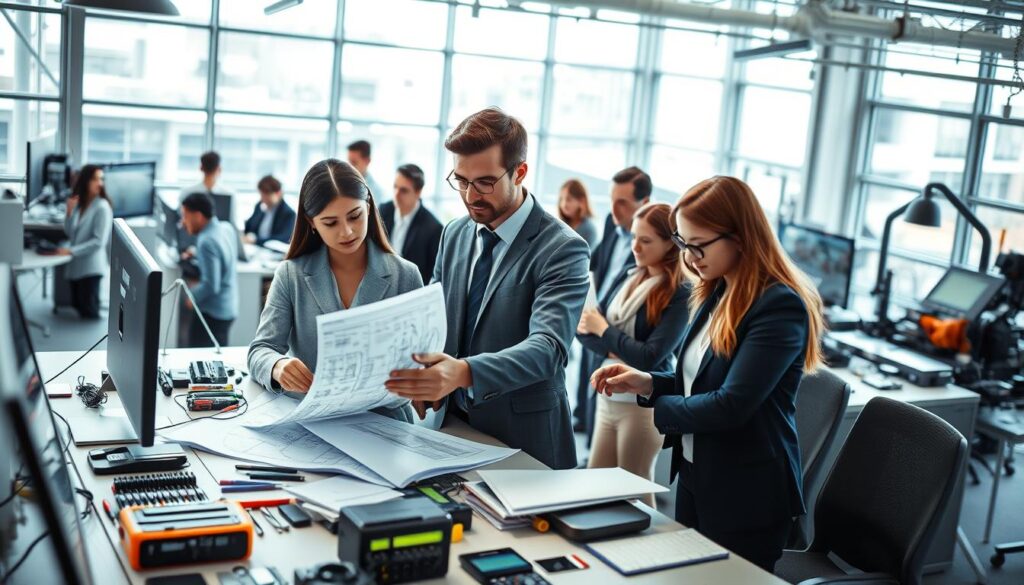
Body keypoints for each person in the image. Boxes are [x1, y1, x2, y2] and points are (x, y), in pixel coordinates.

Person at [590, 176, 826, 572]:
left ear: (740, 236)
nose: (689, 257)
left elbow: (731, 405)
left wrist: (658, 407)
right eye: (682, 243)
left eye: (697, 245)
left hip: (747, 491)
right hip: (700, 474)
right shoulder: (716, 289)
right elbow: (702, 379)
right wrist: (646, 381)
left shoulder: (778, 306)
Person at [384, 108, 590, 469]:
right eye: (461, 180)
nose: (469, 195)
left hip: (525, 441)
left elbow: (547, 349)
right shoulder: (455, 233)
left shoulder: (562, 248)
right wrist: (422, 371)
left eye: (484, 182)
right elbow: (435, 319)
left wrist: (463, 373)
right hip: (451, 429)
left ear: (520, 172)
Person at [248, 159, 421, 422]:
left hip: (386, 424)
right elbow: (261, 349)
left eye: (355, 216)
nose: (347, 231)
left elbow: (419, 362)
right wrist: (278, 366)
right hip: (315, 422)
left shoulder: (405, 275)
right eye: (330, 222)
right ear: (312, 222)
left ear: (369, 206)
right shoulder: (291, 274)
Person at [576, 202, 689, 505]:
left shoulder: (680, 291)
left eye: (646, 240)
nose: (635, 246)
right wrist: (614, 342)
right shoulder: (630, 274)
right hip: (608, 399)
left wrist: (605, 331)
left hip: (641, 408)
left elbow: (650, 358)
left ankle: (643, 553)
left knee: (633, 494)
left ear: (670, 243)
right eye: (634, 237)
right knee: (596, 488)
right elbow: (584, 330)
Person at [573, 166, 652, 433]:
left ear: (645, 203)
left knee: (605, 391)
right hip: (597, 316)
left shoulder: (648, 250)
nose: (615, 209)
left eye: (623, 202)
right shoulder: (610, 222)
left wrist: (603, 331)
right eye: (611, 200)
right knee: (589, 381)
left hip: (617, 327)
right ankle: (584, 421)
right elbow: (597, 264)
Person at [46, 165, 113, 320]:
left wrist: (70, 251)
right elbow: (70, 232)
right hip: (77, 266)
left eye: (101, 179)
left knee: (89, 313)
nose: (100, 183)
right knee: (77, 306)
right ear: (85, 181)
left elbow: (98, 242)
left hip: (91, 268)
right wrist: (69, 212)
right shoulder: (80, 203)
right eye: (96, 179)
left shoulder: (102, 207)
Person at [180, 193, 239, 347]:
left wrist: (190, 297)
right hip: (228, 307)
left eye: (185, 216)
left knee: (201, 362)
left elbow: (211, 285)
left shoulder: (206, 241)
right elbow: (221, 253)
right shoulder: (225, 228)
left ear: (198, 216)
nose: (183, 222)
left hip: (213, 313)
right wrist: (196, 251)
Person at [379, 164, 443, 286]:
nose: (396, 195)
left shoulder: (433, 229)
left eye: (403, 190)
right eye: (395, 187)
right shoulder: (383, 211)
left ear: (418, 192)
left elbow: (431, 275)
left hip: (411, 290)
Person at [243, 175, 296, 246]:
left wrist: (256, 240)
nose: (262, 199)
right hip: (255, 248)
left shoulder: (289, 214)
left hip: (273, 252)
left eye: (266, 195)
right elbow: (249, 228)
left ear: (278, 193)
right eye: (261, 195)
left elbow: (284, 238)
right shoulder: (260, 206)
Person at [557, 178, 598, 249]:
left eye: (568, 199)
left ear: (581, 201)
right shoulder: (560, 224)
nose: (563, 204)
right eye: (561, 199)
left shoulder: (589, 229)